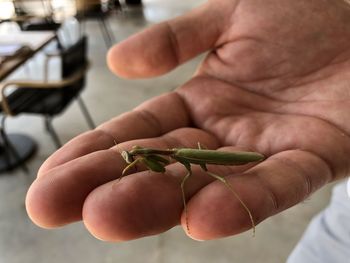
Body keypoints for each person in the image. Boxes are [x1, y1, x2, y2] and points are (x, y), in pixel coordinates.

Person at [25, 0, 350, 259]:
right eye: (132, 157)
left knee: (219, 181)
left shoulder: (173, 155)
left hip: (249, 165)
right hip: (338, 229)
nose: (131, 157)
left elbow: (156, 166)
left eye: (133, 155)